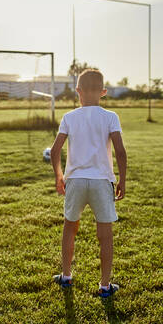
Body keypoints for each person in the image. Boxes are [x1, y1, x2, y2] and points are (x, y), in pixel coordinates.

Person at [50, 69, 127, 298]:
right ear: (103, 92)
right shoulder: (110, 116)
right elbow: (120, 152)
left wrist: (59, 176)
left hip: (75, 181)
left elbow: (55, 151)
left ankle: (66, 276)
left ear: (78, 92)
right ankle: (105, 286)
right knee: (105, 235)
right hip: (102, 182)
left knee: (69, 229)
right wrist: (122, 179)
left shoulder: (69, 117)